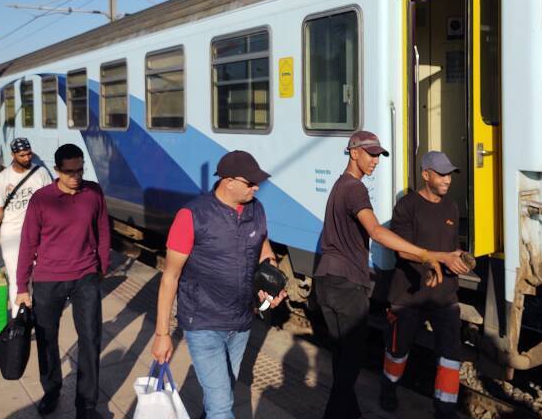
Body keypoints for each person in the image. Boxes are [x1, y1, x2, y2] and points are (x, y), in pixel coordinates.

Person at [313, 130, 446, 419]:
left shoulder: (339, 186)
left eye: (378, 155)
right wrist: (424, 254)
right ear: (353, 152)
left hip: (327, 281)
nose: (375, 160)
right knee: (349, 367)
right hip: (347, 286)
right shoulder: (355, 189)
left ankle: (352, 414)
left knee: (342, 360)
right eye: (371, 154)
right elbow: (375, 230)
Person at [151, 150, 286, 419]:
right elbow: (170, 278)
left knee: (222, 393)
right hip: (203, 322)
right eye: (251, 183)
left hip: (240, 322)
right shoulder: (192, 215)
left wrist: (271, 281)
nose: (256, 188)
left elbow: (263, 248)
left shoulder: (256, 209)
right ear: (229, 182)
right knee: (222, 406)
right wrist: (162, 334)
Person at [15, 144, 110, 419]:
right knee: (47, 339)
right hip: (48, 279)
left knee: (91, 339)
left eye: (80, 169)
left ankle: (87, 404)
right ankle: (52, 391)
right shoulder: (42, 199)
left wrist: (101, 266)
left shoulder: (93, 193)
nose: (75, 176)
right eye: (69, 172)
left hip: (85, 276)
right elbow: (28, 243)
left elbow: (103, 230)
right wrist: (22, 287)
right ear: (57, 170)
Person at [380, 151, 470, 418]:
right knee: (398, 351)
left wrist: (461, 258)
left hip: (444, 295)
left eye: (449, 174)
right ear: (425, 175)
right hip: (410, 293)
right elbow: (403, 251)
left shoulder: (452, 207)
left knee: (450, 356)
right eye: (441, 174)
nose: (447, 180)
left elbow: (450, 247)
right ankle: (388, 389)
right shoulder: (406, 206)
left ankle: (444, 409)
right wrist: (439, 258)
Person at [0, 137, 52, 316]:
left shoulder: (41, 173)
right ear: (13, 155)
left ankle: (36, 314)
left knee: (39, 278)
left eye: (29, 154)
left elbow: (52, 203)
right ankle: (18, 321)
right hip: (13, 236)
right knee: (17, 278)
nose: (27, 158)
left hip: (39, 235)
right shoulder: (2, 179)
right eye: (22, 155)